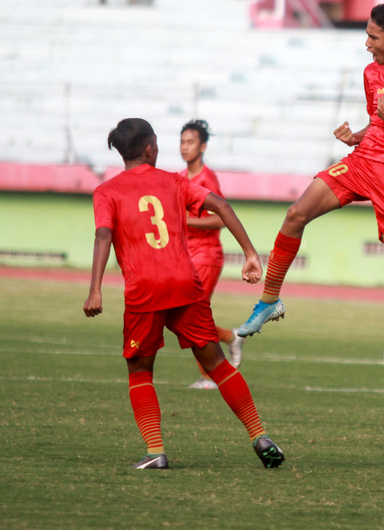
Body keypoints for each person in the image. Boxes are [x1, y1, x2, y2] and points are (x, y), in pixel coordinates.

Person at [236, 2, 384, 400]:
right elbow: (381, 122)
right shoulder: (371, 73)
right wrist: (359, 136)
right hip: (364, 162)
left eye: (373, 37)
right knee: (296, 213)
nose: (367, 44)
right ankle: (269, 300)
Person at [83, 118, 285, 470]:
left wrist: (95, 289)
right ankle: (259, 434)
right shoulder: (175, 181)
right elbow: (221, 206)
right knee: (217, 364)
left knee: (140, 370)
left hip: (145, 290)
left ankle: (155, 451)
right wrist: (251, 254)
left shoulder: (107, 191)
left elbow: (103, 236)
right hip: (185, 284)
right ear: (149, 149)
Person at [179, 119, 246, 390]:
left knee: (194, 318)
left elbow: (220, 219)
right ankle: (230, 337)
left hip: (207, 255)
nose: (184, 147)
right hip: (185, 256)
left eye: (190, 142)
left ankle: (209, 377)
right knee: (183, 318)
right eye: (182, 142)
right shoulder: (179, 179)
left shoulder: (208, 179)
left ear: (203, 146)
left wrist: (185, 221)